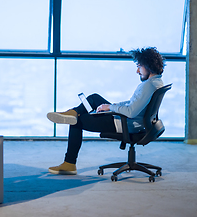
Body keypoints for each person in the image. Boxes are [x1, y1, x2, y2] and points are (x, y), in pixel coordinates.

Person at [46, 47, 165, 175]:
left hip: (126, 124)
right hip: (135, 123)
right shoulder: (156, 82)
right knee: (95, 98)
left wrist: (110, 108)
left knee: (76, 122)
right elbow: (134, 103)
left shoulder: (147, 85)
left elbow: (131, 112)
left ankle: (69, 163)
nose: (137, 71)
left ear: (148, 65)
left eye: (139, 66)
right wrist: (112, 105)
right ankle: (73, 112)